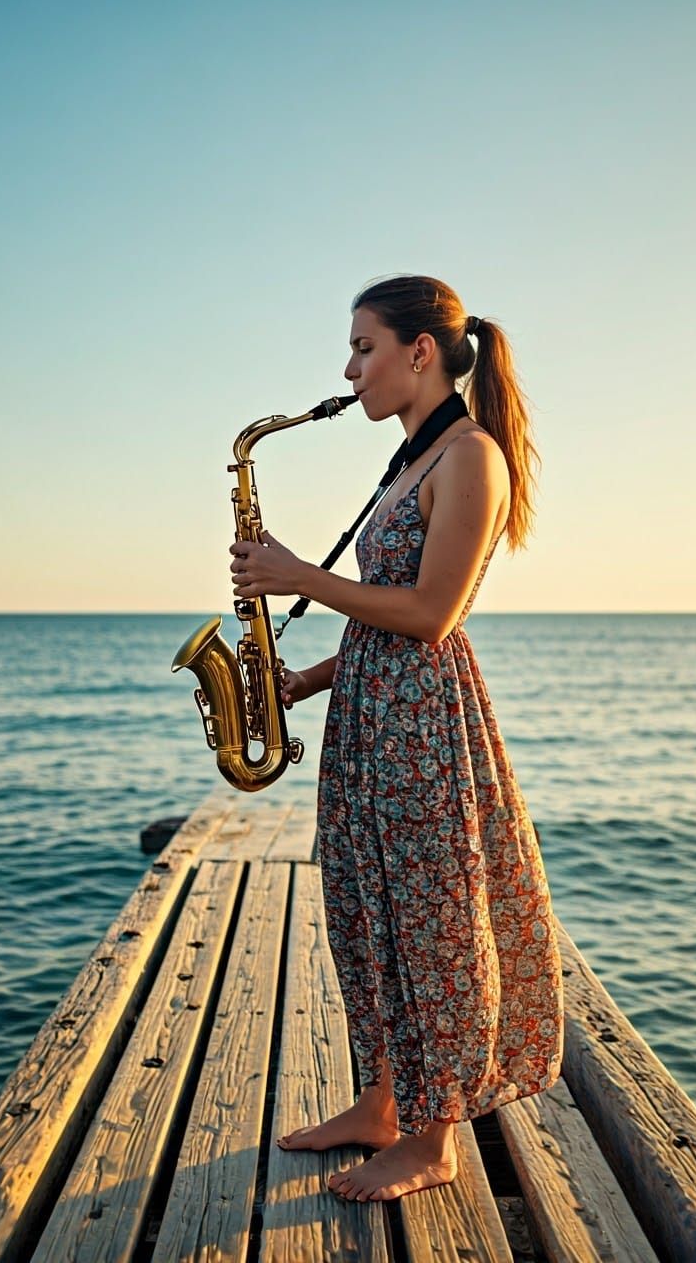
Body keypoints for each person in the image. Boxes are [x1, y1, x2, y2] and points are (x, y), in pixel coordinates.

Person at [229, 274, 564, 1203]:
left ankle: (436, 1139)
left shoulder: (472, 457)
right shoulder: (412, 462)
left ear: (420, 352)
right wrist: (308, 679)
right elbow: (382, 623)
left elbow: (431, 614)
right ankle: (381, 1104)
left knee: (435, 926)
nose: (350, 371)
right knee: (368, 913)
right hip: (370, 719)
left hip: (423, 729)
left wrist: (298, 574)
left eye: (363, 347)